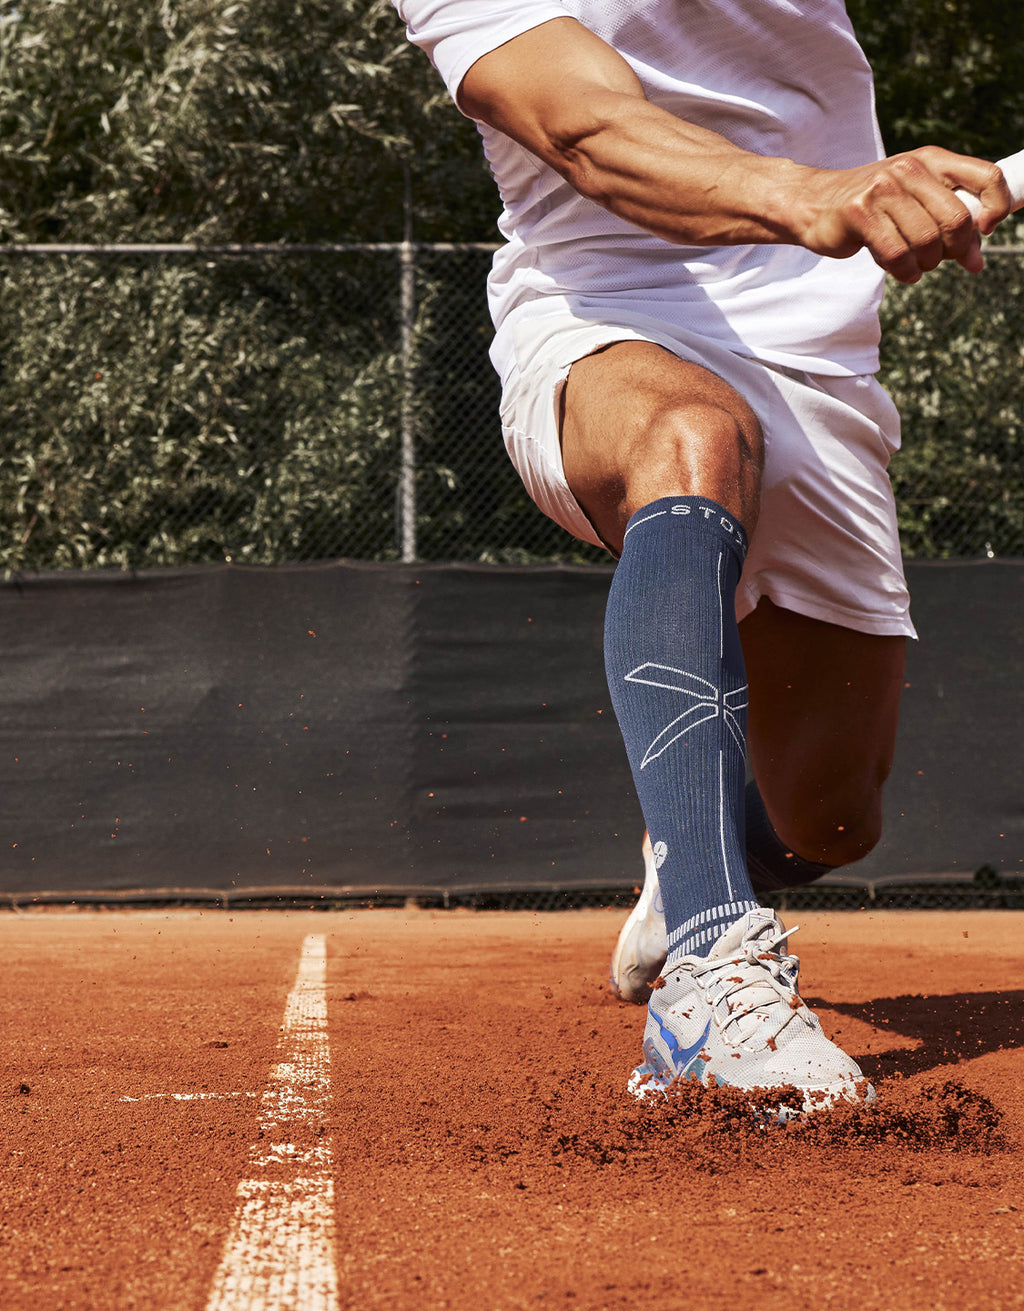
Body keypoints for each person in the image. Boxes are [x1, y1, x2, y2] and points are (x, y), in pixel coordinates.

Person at [392, 0, 1014, 1114]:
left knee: (832, 820)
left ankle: (692, 851)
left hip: (820, 353)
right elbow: (587, 130)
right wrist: (815, 194)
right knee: (692, 435)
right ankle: (711, 971)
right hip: (604, 307)